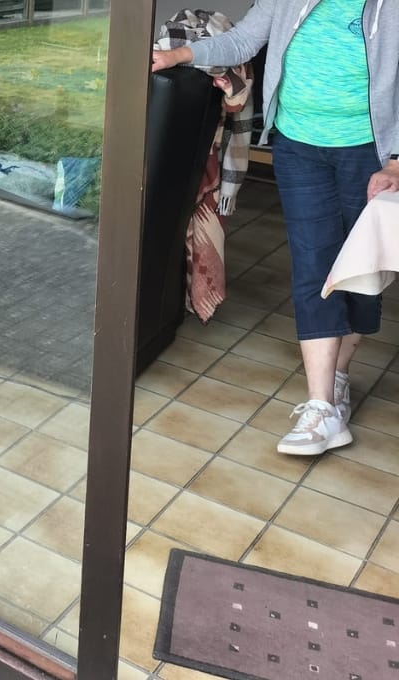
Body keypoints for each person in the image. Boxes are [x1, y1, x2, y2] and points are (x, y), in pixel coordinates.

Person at [152, 0, 399, 455]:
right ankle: (321, 407)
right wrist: (178, 55)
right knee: (313, 266)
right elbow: (244, 39)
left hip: (370, 154)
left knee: (361, 271)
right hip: (298, 147)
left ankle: (338, 376)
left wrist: (397, 161)